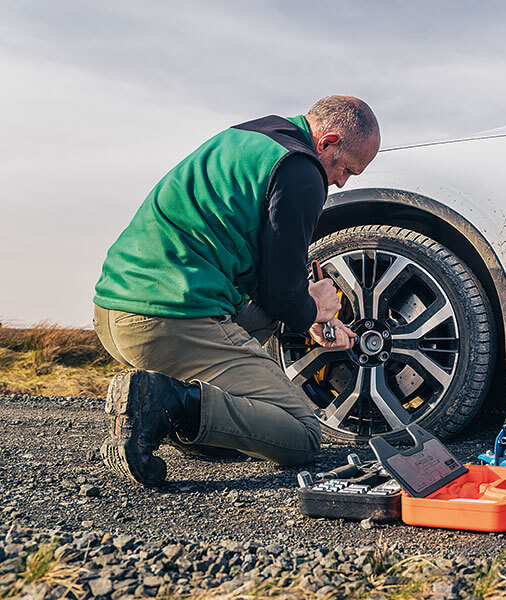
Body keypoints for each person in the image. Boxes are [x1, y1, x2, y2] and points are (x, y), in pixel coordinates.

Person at [92, 96, 380, 486]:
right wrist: (314, 309)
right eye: (345, 168)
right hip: (169, 318)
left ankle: (187, 416)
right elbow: (282, 293)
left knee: (266, 322)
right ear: (327, 142)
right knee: (303, 434)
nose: (341, 181)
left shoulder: (251, 136)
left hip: (115, 312)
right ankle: (165, 401)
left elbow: (271, 290)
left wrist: (304, 311)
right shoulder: (302, 171)